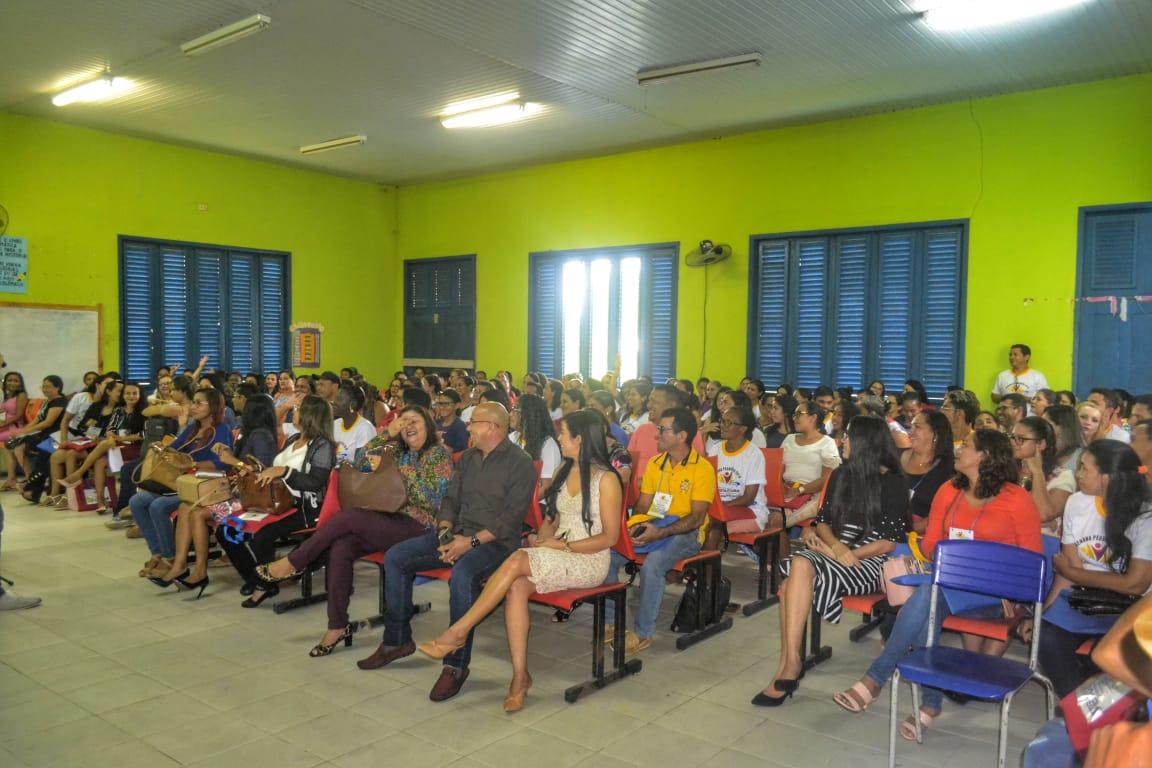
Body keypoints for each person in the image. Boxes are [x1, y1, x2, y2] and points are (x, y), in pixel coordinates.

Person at [834, 429, 1042, 742]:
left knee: (925, 600)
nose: (959, 449)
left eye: (968, 446)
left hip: (993, 593)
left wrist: (973, 562)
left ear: (985, 456)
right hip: (948, 582)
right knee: (926, 602)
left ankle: (876, 680)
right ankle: (928, 705)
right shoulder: (949, 489)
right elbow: (931, 544)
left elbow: (1031, 560)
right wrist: (955, 560)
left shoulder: (1017, 499)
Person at [417, 410, 623, 712]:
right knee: (516, 587)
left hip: (588, 559)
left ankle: (458, 631)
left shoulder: (606, 480)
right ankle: (519, 677)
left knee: (515, 560)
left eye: (563, 434)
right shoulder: (567, 471)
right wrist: (543, 536)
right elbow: (552, 518)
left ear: (580, 439)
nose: (559, 439)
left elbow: (610, 538)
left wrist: (561, 545)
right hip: (557, 551)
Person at [359, 402, 534, 704]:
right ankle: (396, 641)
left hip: (496, 544)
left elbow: (509, 520)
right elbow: (450, 499)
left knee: (463, 575)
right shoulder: (467, 458)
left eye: (474, 422)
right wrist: (444, 530)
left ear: (493, 427)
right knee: (396, 558)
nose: (468, 427)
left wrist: (470, 543)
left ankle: (455, 665)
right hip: (458, 534)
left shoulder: (520, 463)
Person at [258, 405, 453, 655]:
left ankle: (295, 561)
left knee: (349, 517)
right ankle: (337, 626)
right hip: (387, 520)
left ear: (428, 425)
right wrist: (386, 434)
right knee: (342, 546)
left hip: (420, 528)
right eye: (404, 422)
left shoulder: (438, 455)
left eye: (415, 421)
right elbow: (359, 460)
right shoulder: (395, 449)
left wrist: (399, 471)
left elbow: (433, 499)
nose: (409, 426)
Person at [755, 416, 908, 706]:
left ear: (865, 442)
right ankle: (791, 662)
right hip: (836, 551)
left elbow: (888, 541)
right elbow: (823, 521)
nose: (842, 441)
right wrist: (833, 545)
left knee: (792, 582)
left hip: (869, 561)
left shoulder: (893, 482)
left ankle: (789, 666)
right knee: (799, 566)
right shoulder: (841, 474)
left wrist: (844, 553)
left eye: (848, 436)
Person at [1037, 440, 1152, 697]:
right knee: (1047, 637)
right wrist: (1045, 612)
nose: (1077, 474)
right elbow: (1065, 575)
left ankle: (1089, 712)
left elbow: (1136, 584)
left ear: (1107, 478)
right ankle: (1080, 708)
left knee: (1105, 654)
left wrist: (1077, 574)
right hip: (1085, 598)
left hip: (1134, 607)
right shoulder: (1077, 503)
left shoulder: (1146, 516)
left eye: (1085, 469)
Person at [606, 406, 716, 655]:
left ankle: (643, 632)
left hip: (686, 533)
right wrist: (633, 527)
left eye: (663, 430)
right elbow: (644, 505)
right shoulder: (656, 463)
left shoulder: (702, 469)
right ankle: (611, 622)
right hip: (655, 525)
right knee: (608, 555)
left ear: (682, 436)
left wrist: (660, 532)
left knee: (653, 565)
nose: (657, 435)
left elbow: (697, 518)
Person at [150, 393, 280, 594]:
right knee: (185, 507)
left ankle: (200, 570)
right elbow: (239, 463)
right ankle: (181, 565)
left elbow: (261, 471)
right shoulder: (250, 433)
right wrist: (227, 452)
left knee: (196, 511)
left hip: (249, 497)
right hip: (239, 490)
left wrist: (231, 461)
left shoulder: (262, 435)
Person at [217, 395, 336, 605]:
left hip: (304, 508)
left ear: (311, 415)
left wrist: (285, 471)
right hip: (274, 501)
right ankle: (257, 578)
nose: (294, 413)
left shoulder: (322, 446)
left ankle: (263, 583)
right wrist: (253, 470)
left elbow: (316, 483)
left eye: (299, 410)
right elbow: (273, 468)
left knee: (261, 537)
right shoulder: (293, 440)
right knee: (226, 530)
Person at [130, 388, 233, 580]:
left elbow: (222, 463)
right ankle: (158, 553)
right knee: (137, 501)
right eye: (193, 402)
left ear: (213, 406)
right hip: (182, 482)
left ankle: (171, 558)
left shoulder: (221, 430)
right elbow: (174, 447)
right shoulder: (192, 429)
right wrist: (162, 448)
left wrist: (191, 463)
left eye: (198, 403)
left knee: (158, 506)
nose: (193, 407)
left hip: (203, 486)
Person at [707, 405, 769, 547]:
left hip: (751, 512)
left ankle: (704, 568)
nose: (723, 425)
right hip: (720, 510)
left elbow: (749, 497)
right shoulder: (715, 449)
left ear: (743, 428)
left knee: (712, 531)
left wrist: (721, 508)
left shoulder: (754, 454)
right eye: (723, 421)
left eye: (729, 423)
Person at [778, 402, 841, 528]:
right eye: (794, 415)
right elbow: (778, 471)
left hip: (811, 495)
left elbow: (828, 479)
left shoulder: (826, 443)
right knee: (768, 515)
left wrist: (799, 490)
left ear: (813, 417)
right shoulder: (789, 439)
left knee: (777, 521)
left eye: (798, 414)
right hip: (786, 492)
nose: (794, 418)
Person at [1012, 416, 1075, 530]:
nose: (1014, 443)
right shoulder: (1007, 470)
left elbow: (1043, 515)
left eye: (1021, 439)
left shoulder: (1063, 476)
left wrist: (1037, 472)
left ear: (1041, 444)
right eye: (1012, 437)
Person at [14, 376, 68, 503]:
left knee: (43, 455)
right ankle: (31, 485)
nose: (45, 389)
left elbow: (48, 423)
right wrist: (23, 431)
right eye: (43, 387)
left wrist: (26, 432)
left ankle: (31, 487)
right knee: (19, 445)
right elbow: (37, 420)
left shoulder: (59, 402)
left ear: (58, 388)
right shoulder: (47, 402)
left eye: (48, 387)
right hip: (45, 436)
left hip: (56, 437)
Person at [900, 412, 955, 534]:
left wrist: (908, 531)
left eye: (917, 427)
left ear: (935, 434)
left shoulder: (949, 470)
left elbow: (947, 513)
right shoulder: (895, 457)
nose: (910, 432)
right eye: (911, 426)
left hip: (919, 537)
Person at [509, 393, 561, 495]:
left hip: (536, 504)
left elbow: (544, 488)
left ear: (529, 414)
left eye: (515, 409)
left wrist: (515, 503)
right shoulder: (512, 437)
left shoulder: (548, 445)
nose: (510, 414)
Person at [330, 383, 377, 462]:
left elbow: (365, 463)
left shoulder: (365, 429)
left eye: (339, 399)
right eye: (336, 398)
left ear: (352, 405)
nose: (334, 402)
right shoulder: (335, 424)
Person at [0, 371, 28, 491]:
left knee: (7, 441)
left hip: (15, 428)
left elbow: (19, 416)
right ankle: (11, 478)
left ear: (20, 383)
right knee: (7, 445)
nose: (12, 383)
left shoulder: (22, 395)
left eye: (15, 380)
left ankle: (14, 478)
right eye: (9, 380)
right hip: (5, 428)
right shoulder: (6, 396)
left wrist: (2, 425)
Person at [1045, 404, 1085, 471]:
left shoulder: (1081, 457)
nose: (1041, 427)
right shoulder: (1043, 449)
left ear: (1062, 427)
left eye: (1046, 423)